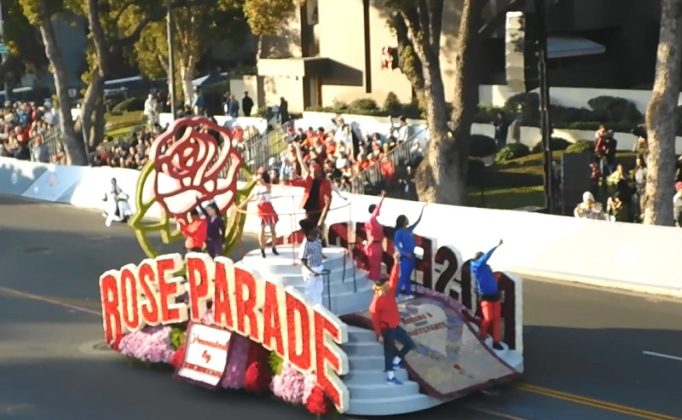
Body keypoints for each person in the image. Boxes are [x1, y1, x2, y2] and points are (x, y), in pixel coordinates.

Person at [370, 254, 416, 385]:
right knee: (388, 351)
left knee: (409, 344)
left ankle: (396, 362)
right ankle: (390, 377)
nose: (389, 284)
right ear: (382, 287)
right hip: (387, 329)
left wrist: (396, 262)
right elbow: (374, 318)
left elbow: (394, 277)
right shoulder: (376, 301)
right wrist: (378, 333)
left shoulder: (389, 291)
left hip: (395, 325)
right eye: (386, 284)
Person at [471, 239, 505, 351]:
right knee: (488, 318)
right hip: (486, 297)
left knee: (496, 320)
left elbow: (490, 279)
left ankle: (496, 341)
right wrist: (497, 246)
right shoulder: (477, 266)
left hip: (495, 296)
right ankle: (482, 335)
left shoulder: (485, 267)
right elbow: (486, 257)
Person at [393, 205, 426, 300]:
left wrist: (422, 209)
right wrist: (403, 253)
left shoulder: (409, 229)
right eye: (406, 219)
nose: (408, 220)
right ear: (403, 221)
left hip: (412, 256)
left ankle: (408, 292)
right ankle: (395, 294)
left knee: (408, 276)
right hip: (405, 257)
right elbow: (397, 245)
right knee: (403, 276)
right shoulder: (398, 232)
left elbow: (418, 221)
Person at [251, 169, 280, 258]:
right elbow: (249, 198)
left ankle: (274, 247)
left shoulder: (268, 186)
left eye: (261, 176)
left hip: (269, 209)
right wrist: (239, 206)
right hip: (260, 210)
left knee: (272, 230)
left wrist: (258, 179)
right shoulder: (255, 189)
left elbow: (266, 185)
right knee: (261, 230)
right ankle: (262, 249)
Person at [299, 222, 325, 305]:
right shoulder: (306, 245)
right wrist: (311, 271)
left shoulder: (317, 238)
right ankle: (309, 307)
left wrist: (321, 255)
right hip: (311, 269)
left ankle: (319, 306)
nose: (317, 229)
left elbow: (319, 248)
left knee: (319, 289)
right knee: (310, 290)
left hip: (319, 267)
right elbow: (303, 260)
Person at [365, 193, 386, 281]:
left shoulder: (369, 221)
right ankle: (375, 281)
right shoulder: (372, 219)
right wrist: (382, 197)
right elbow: (378, 207)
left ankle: (374, 278)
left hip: (375, 244)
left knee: (375, 265)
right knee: (375, 265)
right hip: (375, 245)